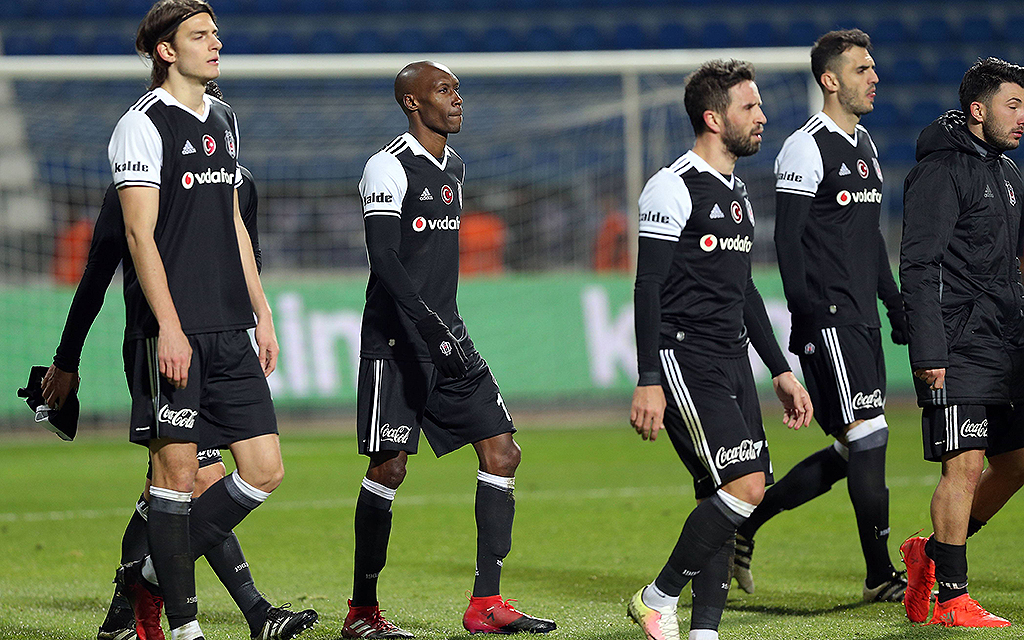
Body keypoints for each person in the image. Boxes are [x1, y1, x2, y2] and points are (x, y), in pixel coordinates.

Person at [42, 87, 316, 640]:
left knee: (176, 490)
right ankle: (237, 612)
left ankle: (133, 598)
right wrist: (66, 360)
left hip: (222, 335)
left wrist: (258, 312)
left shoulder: (236, 179)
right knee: (187, 480)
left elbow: (247, 251)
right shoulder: (136, 181)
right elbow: (97, 272)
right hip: (166, 341)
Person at [341, 60, 556, 639]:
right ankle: (362, 612)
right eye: (443, 91)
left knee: (503, 451)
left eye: (457, 90)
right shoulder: (387, 167)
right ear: (412, 103)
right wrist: (427, 328)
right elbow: (384, 261)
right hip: (396, 344)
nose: (457, 100)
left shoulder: (453, 167)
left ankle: (486, 601)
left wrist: (444, 329)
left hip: (448, 337)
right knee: (388, 467)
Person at [104, 3, 291, 639]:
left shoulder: (226, 117)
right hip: (171, 333)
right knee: (176, 477)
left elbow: (235, 221)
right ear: (165, 50)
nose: (216, 43)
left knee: (264, 469)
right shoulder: (142, 125)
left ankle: (149, 575)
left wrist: (262, 312)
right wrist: (170, 327)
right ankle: (184, 627)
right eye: (200, 35)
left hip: (231, 327)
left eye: (215, 33)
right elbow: (138, 233)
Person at [627, 59, 813, 640]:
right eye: (750, 107)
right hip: (686, 359)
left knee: (723, 495)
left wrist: (779, 368)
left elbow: (744, 288)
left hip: (734, 359)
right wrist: (649, 377)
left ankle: (704, 631)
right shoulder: (672, 185)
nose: (762, 117)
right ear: (714, 117)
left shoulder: (736, 192)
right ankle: (656, 597)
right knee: (746, 488)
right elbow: (647, 286)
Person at [730, 29, 908, 603]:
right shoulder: (807, 146)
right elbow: (788, 242)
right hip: (828, 320)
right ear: (830, 80)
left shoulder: (867, 148)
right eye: (862, 69)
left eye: (873, 67)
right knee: (870, 435)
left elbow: (869, 241)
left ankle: (745, 528)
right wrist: (807, 317)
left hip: (861, 318)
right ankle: (880, 574)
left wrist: (894, 302)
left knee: (848, 451)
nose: (873, 77)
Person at [899, 57, 1024, 629]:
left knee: (1017, 463)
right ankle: (952, 599)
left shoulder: (1008, 174)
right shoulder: (940, 171)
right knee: (964, 468)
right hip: (957, 345)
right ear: (979, 111)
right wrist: (928, 351)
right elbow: (919, 265)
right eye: (1013, 105)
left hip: (1005, 342)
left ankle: (932, 552)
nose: (1022, 117)